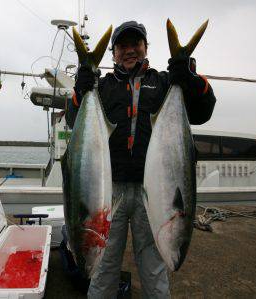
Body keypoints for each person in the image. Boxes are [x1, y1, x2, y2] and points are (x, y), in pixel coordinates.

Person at [66, 21, 216, 298]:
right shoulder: (102, 88)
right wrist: (81, 88)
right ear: (113, 53)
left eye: (136, 44)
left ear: (146, 48)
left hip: (155, 191)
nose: (130, 50)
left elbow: (203, 111)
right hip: (109, 192)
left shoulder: (164, 83)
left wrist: (189, 77)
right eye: (123, 46)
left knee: (154, 266)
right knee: (103, 266)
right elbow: (73, 119)